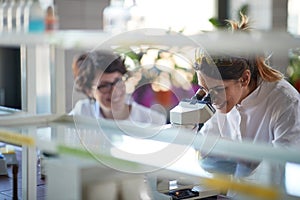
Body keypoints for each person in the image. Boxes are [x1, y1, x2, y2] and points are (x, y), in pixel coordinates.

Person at [194, 14, 300, 197]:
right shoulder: (222, 100)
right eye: (204, 89)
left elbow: (283, 169)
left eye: (219, 89)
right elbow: (204, 147)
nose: (213, 98)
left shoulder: (285, 102)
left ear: (244, 78)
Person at [69, 50, 166, 125]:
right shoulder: (82, 112)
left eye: (118, 81)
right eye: (104, 86)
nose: (114, 91)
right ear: (89, 91)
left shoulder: (153, 121)